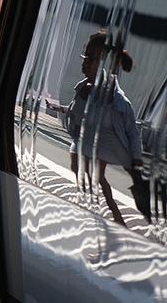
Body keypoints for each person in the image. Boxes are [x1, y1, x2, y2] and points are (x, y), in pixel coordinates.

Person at [65, 29, 142, 225]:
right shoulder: (83, 90)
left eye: (90, 59)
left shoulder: (119, 103)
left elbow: (132, 132)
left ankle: (117, 215)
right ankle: (104, 211)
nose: (84, 63)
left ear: (105, 65)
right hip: (90, 139)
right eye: (85, 57)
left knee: (99, 176)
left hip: (110, 144)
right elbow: (73, 116)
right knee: (80, 167)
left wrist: (136, 158)